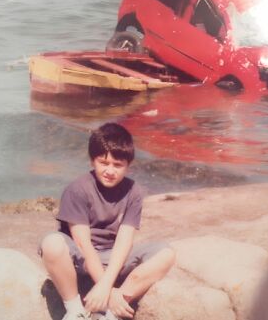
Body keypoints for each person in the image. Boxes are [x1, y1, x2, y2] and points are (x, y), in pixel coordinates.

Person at [39, 123, 175, 320]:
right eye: (104, 163)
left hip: (111, 259)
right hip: (80, 260)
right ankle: (75, 309)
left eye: (118, 165)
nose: (110, 171)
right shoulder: (77, 190)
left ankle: (114, 309)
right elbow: (82, 244)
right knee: (51, 243)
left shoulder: (134, 192)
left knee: (166, 254)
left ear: (128, 165)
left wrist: (107, 287)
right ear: (93, 160)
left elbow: (124, 240)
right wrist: (106, 288)